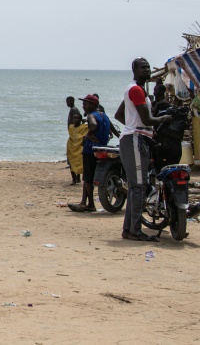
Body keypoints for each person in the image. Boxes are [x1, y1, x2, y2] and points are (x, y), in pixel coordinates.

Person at [113, 57, 171, 242]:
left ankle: (129, 229)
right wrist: (163, 119)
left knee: (136, 187)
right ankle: (135, 231)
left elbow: (119, 115)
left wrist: (133, 126)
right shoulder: (136, 90)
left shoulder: (136, 91)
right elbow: (146, 120)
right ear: (134, 70)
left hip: (136, 137)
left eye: (148, 68)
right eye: (143, 68)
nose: (147, 70)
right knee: (138, 186)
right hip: (135, 139)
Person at [68, 94, 111, 212]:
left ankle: (88, 203)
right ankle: (86, 203)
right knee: (89, 177)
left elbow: (93, 125)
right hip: (101, 148)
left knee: (87, 178)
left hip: (90, 150)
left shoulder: (92, 115)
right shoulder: (105, 116)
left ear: (92, 105)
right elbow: (112, 130)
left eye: (85, 104)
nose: (83, 106)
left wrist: (88, 135)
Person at [65, 96, 84, 184]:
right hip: (73, 135)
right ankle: (77, 178)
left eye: (68, 101)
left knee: (74, 160)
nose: (67, 103)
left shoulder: (74, 110)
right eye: (66, 101)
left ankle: (76, 178)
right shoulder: (72, 109)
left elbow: (78, 121)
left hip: (75, 137)